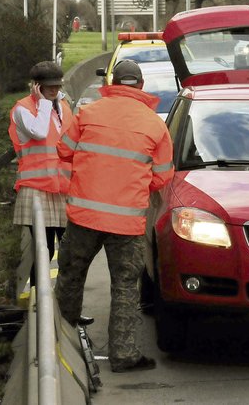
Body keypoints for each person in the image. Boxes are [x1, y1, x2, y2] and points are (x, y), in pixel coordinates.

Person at [55, 59, 174, 373]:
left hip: (84, 217)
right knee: (124, 286)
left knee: (70, 276)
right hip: (126, 222)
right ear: (141, 86)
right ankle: (123, 356)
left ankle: (59, 344)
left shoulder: (88, 113)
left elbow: (63, 150)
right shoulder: (154, 124)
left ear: (112, 82)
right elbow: (162, 178)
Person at [8, 61, 72, 288]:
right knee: (44, 249)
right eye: (48, 86)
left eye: (57, 85)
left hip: (61, 187)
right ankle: (39, 301)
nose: (54, 90)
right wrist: (43, 103)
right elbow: (39, 131)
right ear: (36, 86)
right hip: (36, 189)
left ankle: (64, 304)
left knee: (68, 250)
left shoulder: (62, 106)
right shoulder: (23, 109)